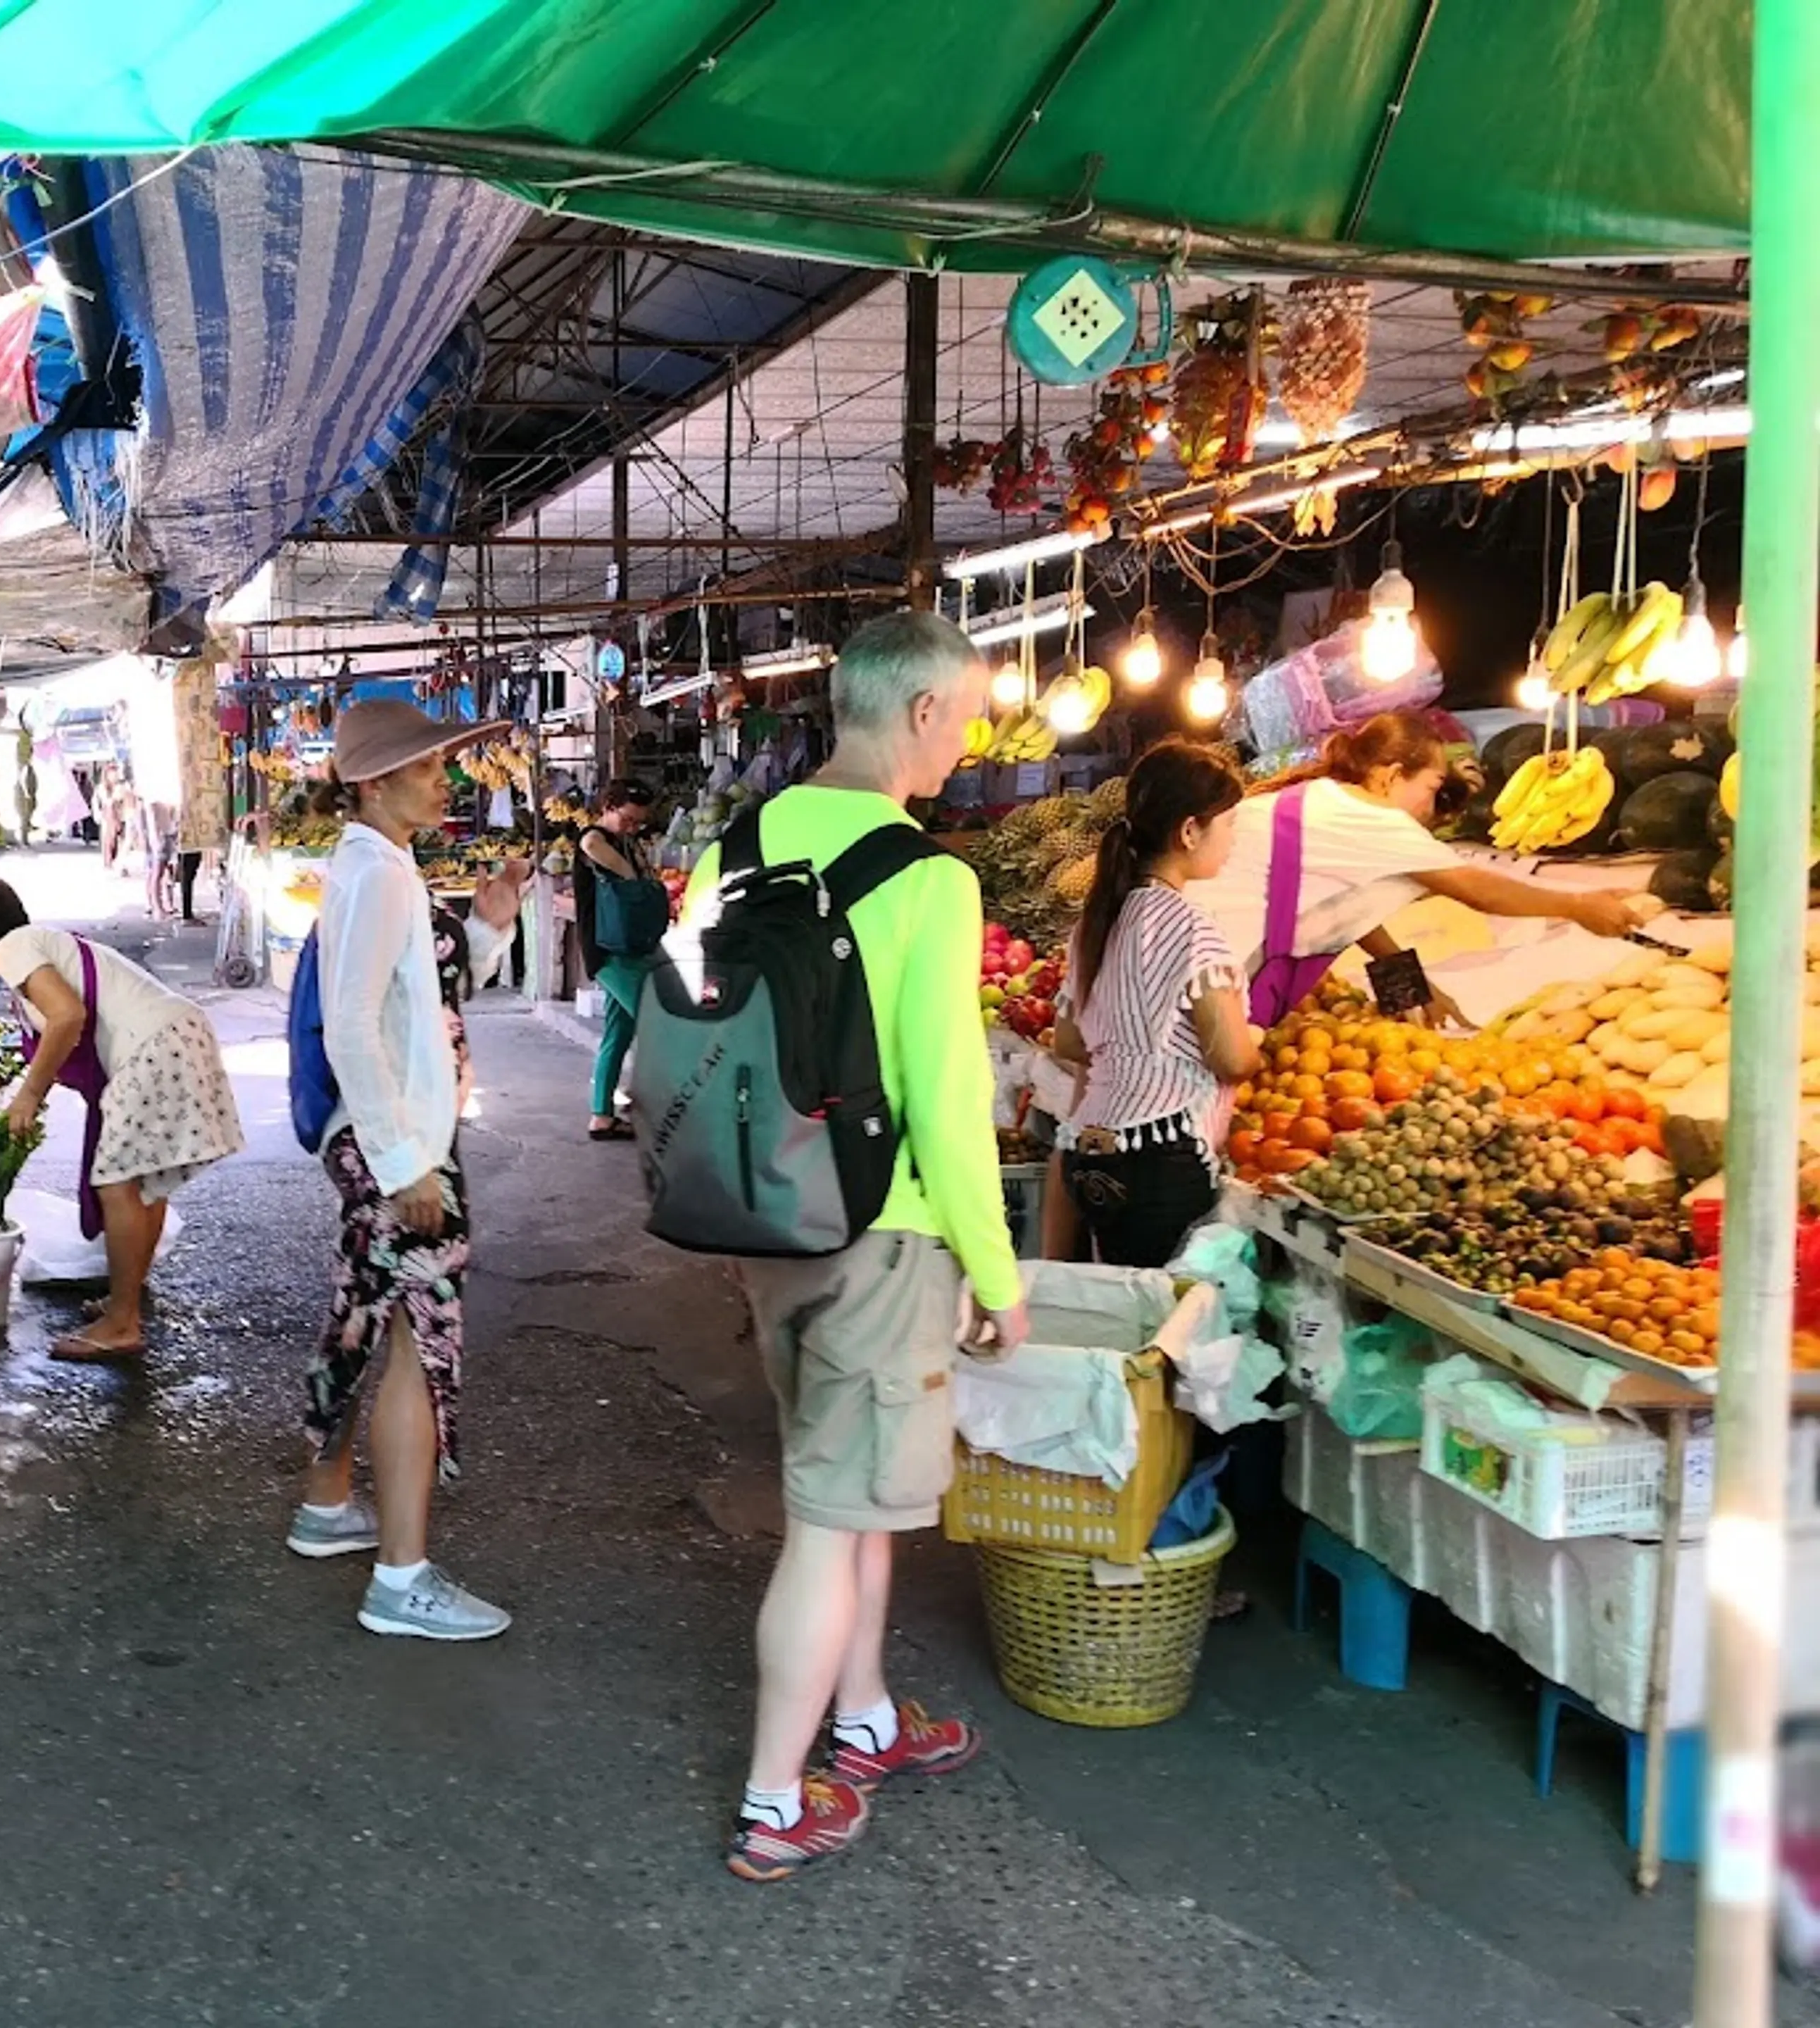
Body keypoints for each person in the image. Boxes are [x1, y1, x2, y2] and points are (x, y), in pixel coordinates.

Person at [682, 611, 1026, 1882]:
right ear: (923, 711)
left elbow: (699, 1028)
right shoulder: (931, 880)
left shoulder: (733, 851)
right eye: (968, 716)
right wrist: (997, 1272)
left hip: (767, 1219)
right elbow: (950, 1096)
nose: (968, 742)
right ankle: (774, 1800)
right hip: (883, 1239)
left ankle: (866, 1718)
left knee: (853, 1492)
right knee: (829, 1521)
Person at [287, 699, 530, 1641]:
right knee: (417, 1349)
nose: (446, 781)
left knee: (365, 1317)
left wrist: (489, 929)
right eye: (428, 768)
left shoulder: (381, 867)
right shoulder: (378, 876)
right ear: (378, 782)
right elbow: (353, 1026)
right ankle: (401, 1579)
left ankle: (327, 1508)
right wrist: (404, 1165)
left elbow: (416, 1000)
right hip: (397, 1144)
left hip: (391, 1136)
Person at [0, 875, 243, 1360]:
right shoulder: (43, 944)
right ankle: (125, 1300)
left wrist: (29, 1096)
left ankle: (122, 1323)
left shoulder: (14, 947)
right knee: (144, 1183)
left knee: (117, 1183)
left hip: (151, 1047)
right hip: (177, 1035)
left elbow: (67, 1016)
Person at [1195, 711, 1643, 1031]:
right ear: (1392, 776)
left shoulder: (1324, 799)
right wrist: (1578, 905)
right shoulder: (1375, 819)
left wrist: (1412, 989)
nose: (1430, 808)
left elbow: (1344, 910)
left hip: (1190, 960)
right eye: (1431, 787)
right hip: (1207, 978)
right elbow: (1479, 890)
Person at [1053, 741, 1263, 1269]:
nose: (1233, 840)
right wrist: (1256, 1040)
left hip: (1088, 1150)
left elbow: (1069, 1041)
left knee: (1123, 1295)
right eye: (1229, 825)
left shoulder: (1096, 924)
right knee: (1167, 1306)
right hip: (1157, 1160)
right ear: (1190, 831)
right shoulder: (1191, 931)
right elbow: (1232, 1059)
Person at [572, 780, 662, 1141]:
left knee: (618, 1032)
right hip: (609, 954)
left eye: (638, 822)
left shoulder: (627, 841)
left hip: (630, 949)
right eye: (627, 819)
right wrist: (631, 877)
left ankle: (602, 1116)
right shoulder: (594, 838)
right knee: (660, 1024)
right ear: (608, 807)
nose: (632, 827)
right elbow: (590, 844)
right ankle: (657, 1106)